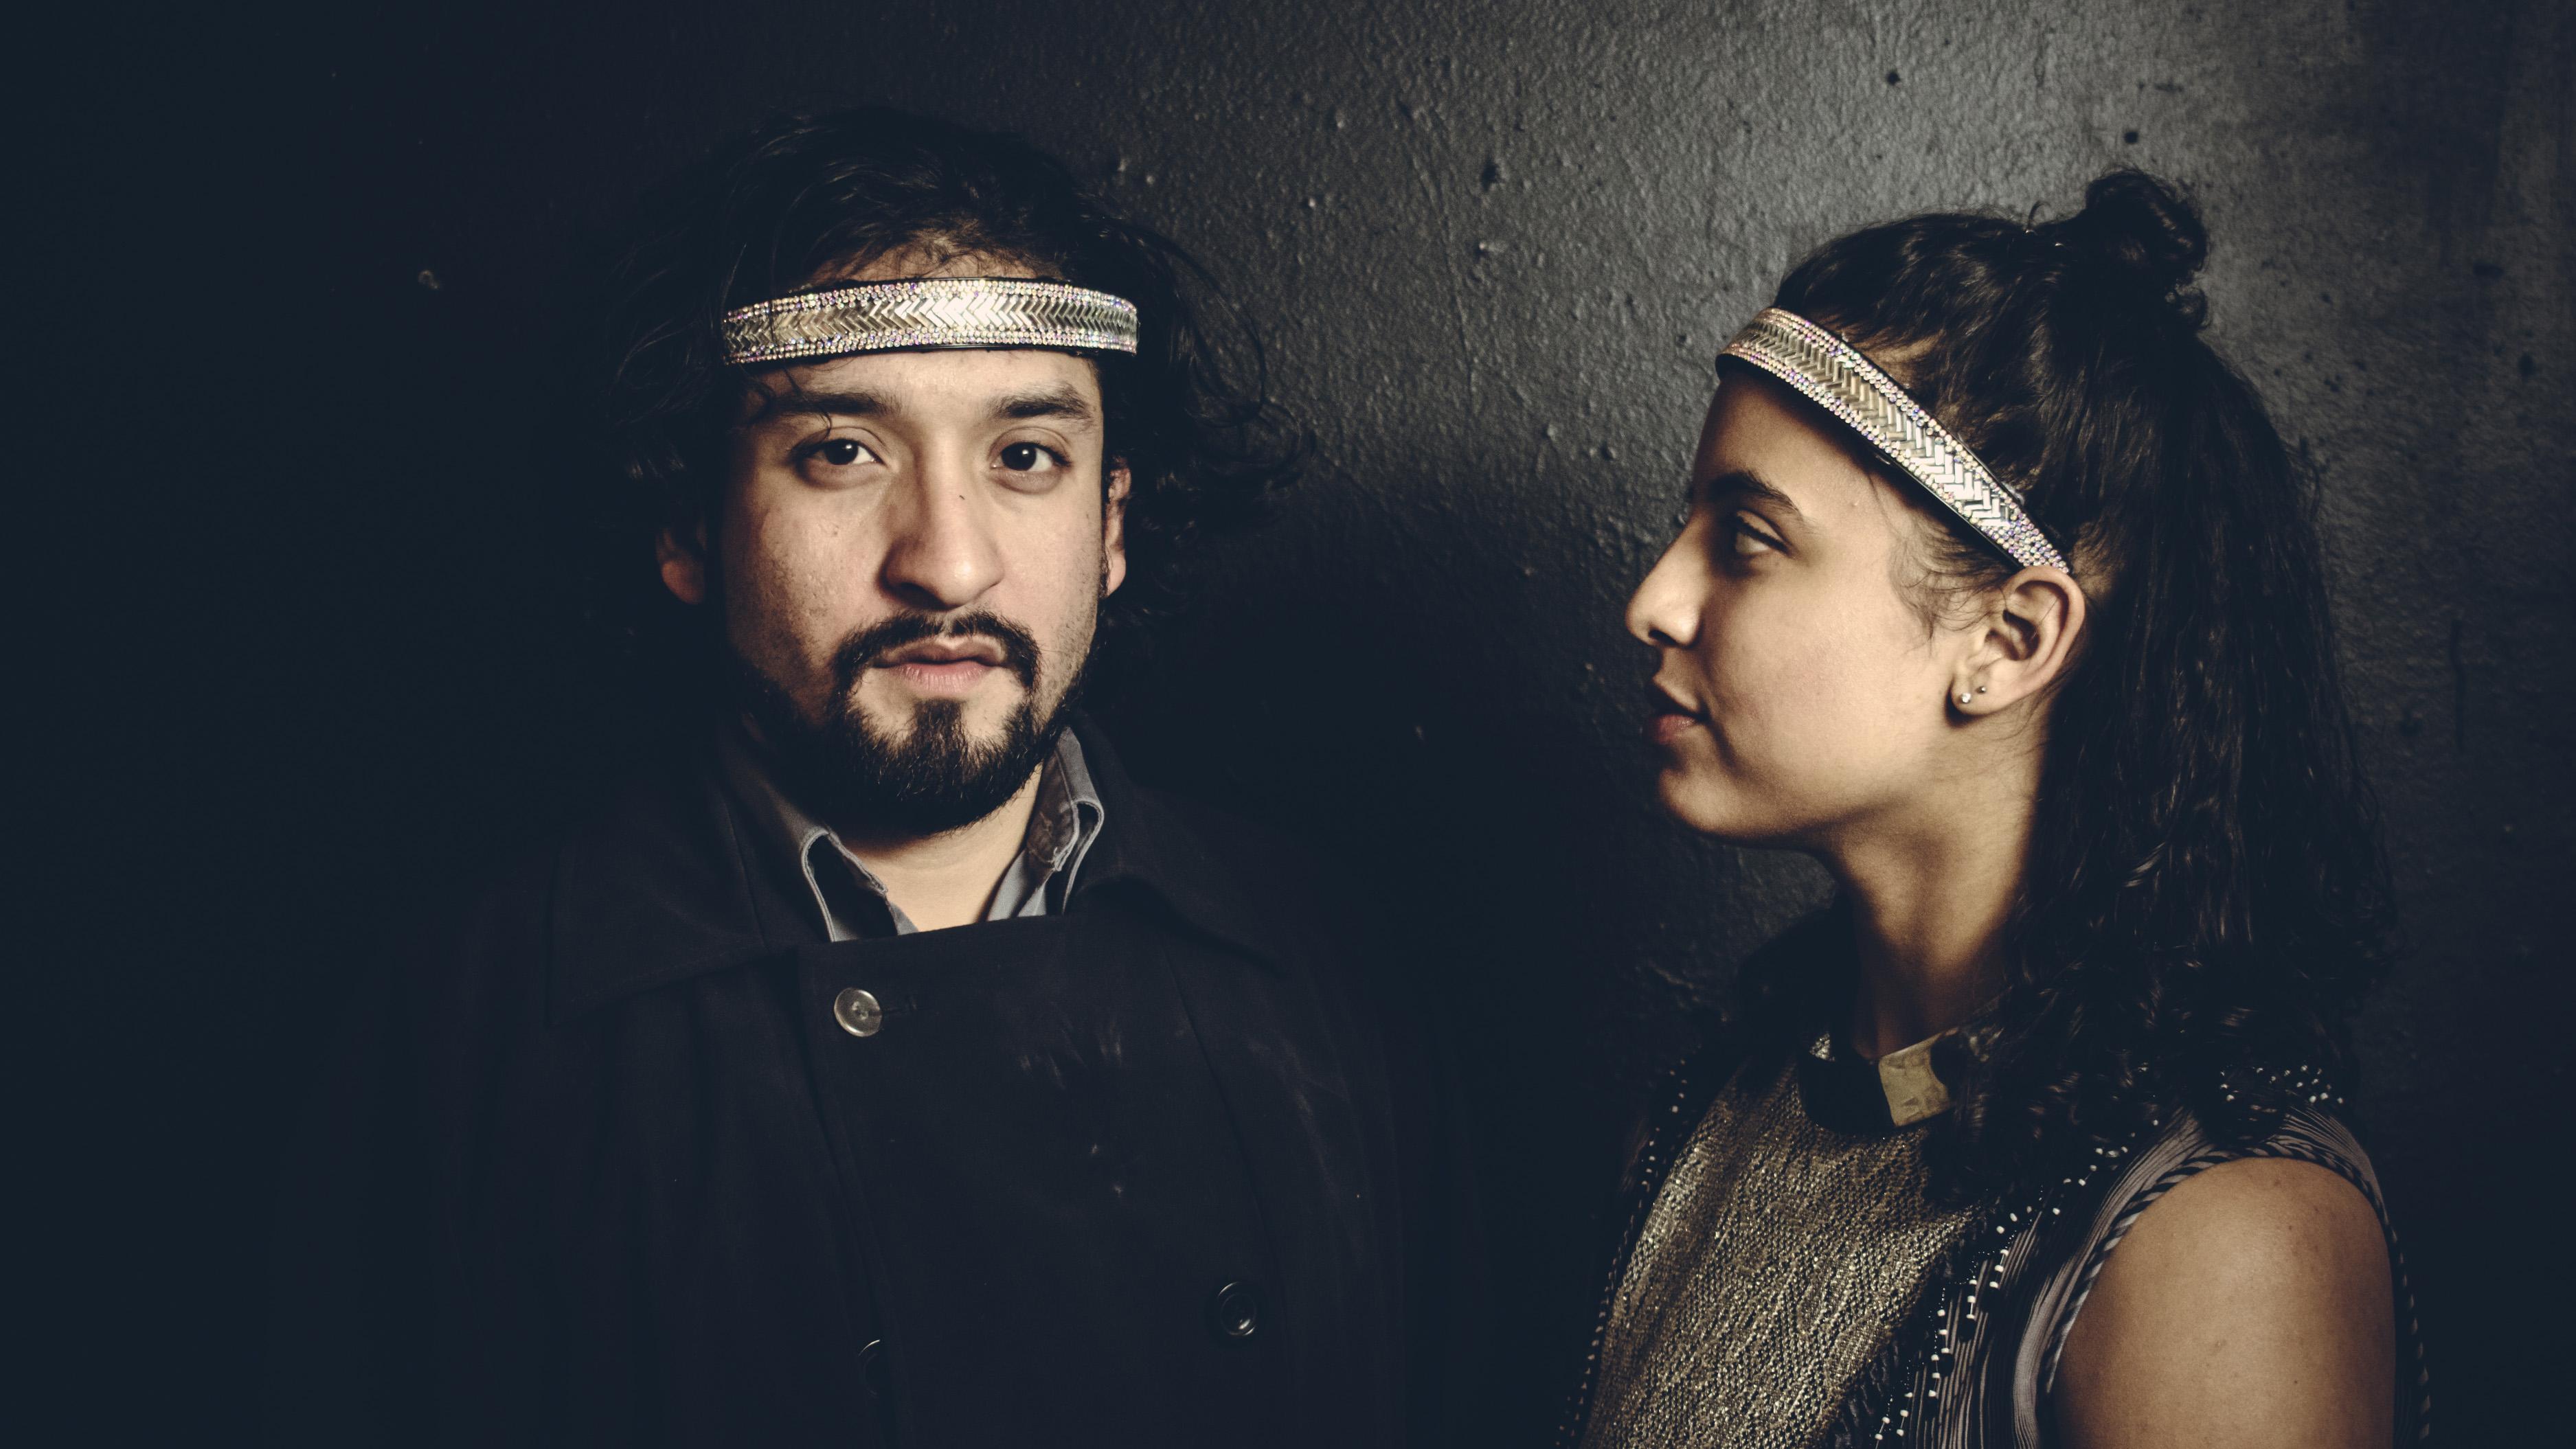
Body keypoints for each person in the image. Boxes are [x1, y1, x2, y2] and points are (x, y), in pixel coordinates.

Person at [267, 108, 1468, 1447]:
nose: (948, 562)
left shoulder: (1332, 967)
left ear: (1112, 523)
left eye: (1026, 456)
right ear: (685, 522)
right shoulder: (454, 1038)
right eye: (842, 449)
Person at [1564, 171, 2426, 1448]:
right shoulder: (1719, 1109)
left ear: (2010, 637)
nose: (1654, 600)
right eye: (1683, 523)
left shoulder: (2222, 1235)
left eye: (1746, 539)